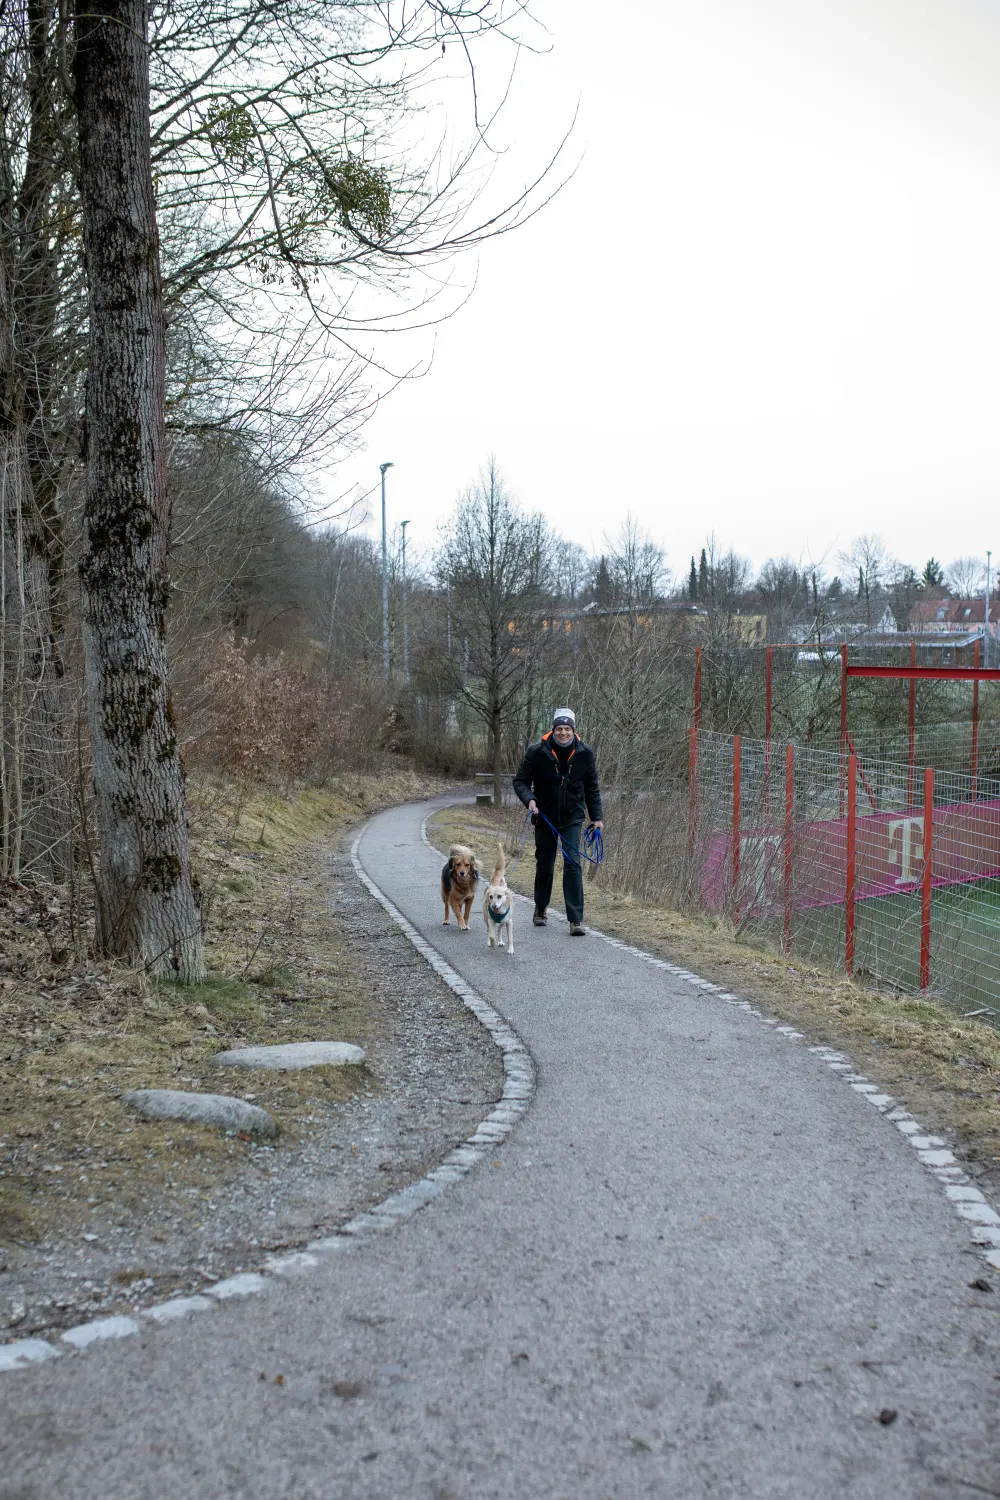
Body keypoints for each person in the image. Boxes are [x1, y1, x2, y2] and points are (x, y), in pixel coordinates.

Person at [512, 707, 603, 936]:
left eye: (567, 729)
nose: (563, 733)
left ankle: (575, 919)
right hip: (544, 816)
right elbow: (520, 781)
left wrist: (597, 818)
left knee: (573, 863)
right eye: (559, 729)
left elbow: (592, 788)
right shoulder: (537, 752)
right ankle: (541, 909)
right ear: (553, 730)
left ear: (573, 730)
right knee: (545, 865)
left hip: (573, 816)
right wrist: (530, 800)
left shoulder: (585, 753)